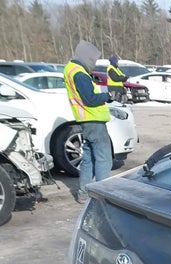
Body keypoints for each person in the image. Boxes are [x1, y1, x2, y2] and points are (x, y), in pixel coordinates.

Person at [63, 40, 112, 203]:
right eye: (94, 60)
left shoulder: (71, 69)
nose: (94, 63)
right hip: (94, 120)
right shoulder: (80, 74)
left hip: (86, 121)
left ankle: (84, 194)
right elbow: (90, 99)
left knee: (88, 159)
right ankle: (102, 196)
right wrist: (108, 96)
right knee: (103, 159)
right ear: (87, 57)